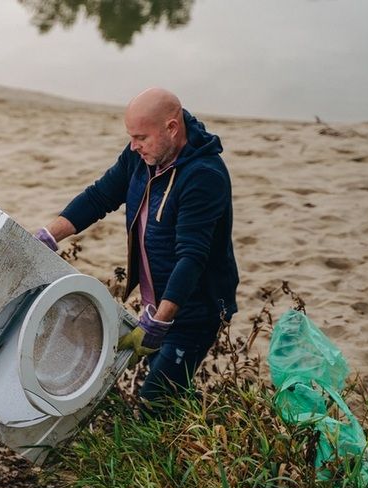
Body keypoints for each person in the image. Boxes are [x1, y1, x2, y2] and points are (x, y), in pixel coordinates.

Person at [35, 87, 238, 411]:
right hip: (155, 300)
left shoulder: (204, 177)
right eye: (131, 136)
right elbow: (100, 196)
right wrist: (48, 235)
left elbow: (192, 257)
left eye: (141, 137)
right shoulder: (143, 156)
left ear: (172, 128)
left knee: (153, 403)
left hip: (194, 310)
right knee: (160, 383)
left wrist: (160, 323)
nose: (134, 145)